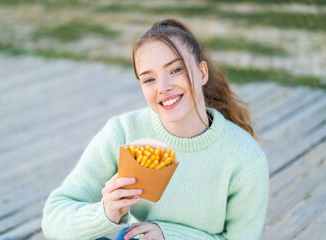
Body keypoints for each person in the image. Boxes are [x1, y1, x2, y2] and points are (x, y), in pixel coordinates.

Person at [41, 18, 269, 240]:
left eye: (175, 70)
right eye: (148, 80)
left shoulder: (245, 157)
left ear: (201, 73)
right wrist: (104, 213)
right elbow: (54, 218)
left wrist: (170, 235)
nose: (164, 87)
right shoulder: (123, 132)